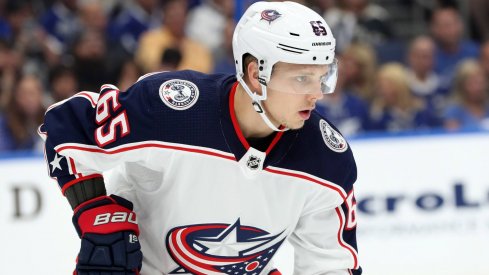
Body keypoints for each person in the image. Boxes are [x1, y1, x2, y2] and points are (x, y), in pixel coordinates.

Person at [39, 1, 361, 274]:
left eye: (323, 77)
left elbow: (332, 264)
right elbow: (65, 128)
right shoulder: (172, 109)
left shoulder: (327, 160)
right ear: (255, 73)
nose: (316, 95)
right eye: (302, 78)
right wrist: (95, 211)